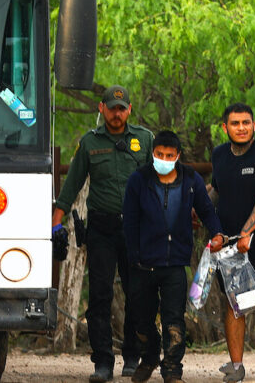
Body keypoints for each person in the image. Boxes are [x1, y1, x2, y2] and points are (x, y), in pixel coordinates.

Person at [51, 85, 153, 382]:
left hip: (136, 230)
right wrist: (55, 222)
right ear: (101, 108)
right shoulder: (90, 142)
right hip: (102, 230)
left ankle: (132, 356)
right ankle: (103, 362)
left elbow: (160, 182)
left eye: (122, 108)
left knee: (137, 294)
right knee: (99, 295)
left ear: (129, 110)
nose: (117, 114)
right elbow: (71, 185)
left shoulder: (144, 140)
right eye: (112, 108)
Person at [122, 131, 224, 383]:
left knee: (174, 320)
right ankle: (149, 357)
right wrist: (133, 256)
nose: (164, 159)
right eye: (159, 154)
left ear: (177, 156)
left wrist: (218, 232)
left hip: (176, 262)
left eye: (169, 155)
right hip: (143, 263)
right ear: (152, 153)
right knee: (140, 319)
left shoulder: (190, 179)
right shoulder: (139, 179)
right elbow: (130, 221)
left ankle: (172, 369)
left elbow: (206, 209)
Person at [209, 103, 255, 383]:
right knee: (235, 303)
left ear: (253, 125)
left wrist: (247, 232)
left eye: (246, 122)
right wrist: (199, 209)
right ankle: (237, 366)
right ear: (225, 127)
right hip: (229, 245)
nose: (241, 127)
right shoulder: (219, 155)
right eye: (235, 123)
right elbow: (216, 190)